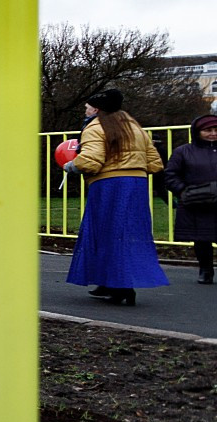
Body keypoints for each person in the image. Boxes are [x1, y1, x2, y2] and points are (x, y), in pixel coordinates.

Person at [65, 88, 167, 305]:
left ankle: (119, 287)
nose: (85, 110)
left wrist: (71, 166)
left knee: (104, 233)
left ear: (96, 108)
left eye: (87, 107)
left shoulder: (95, 126)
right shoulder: (134, 126)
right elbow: (155, 162)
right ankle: (113, 283)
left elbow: (91, 161)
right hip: (137, 184)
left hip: (109, 184)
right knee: (127, 233)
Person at [162, 114, 217, 285]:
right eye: (208, 130)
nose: (213, 134)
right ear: (197, 131)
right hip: (197, 201)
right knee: (202, 239)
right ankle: (205, 269)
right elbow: (171, 175)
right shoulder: (183, 151)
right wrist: (183, 191)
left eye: (216, 130)